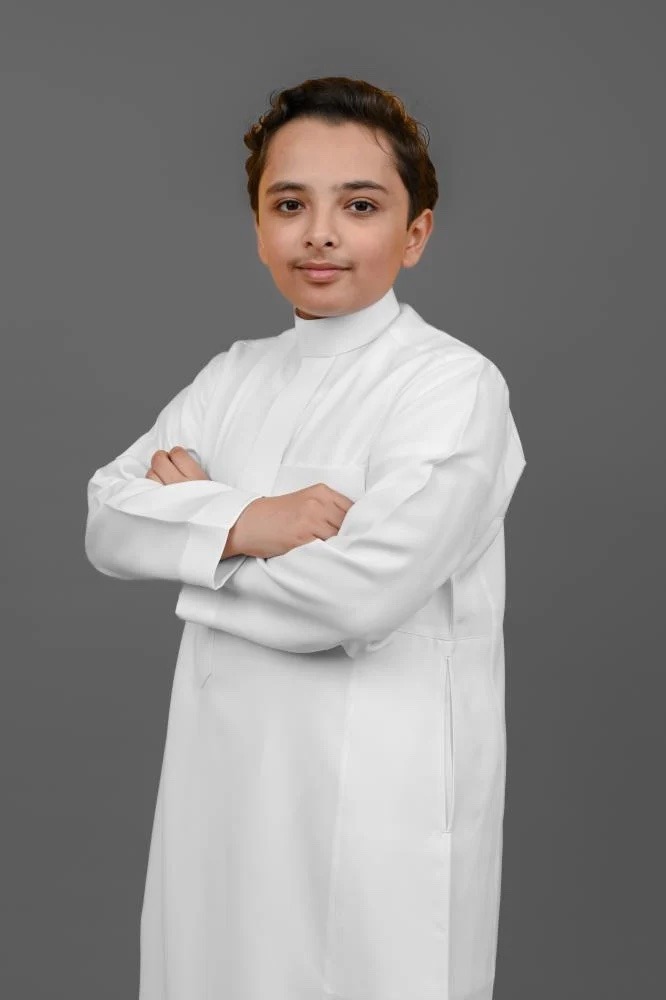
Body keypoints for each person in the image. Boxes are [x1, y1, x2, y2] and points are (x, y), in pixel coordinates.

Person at [85, 75, 527, 1000]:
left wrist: (198, 537)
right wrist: (253, 522)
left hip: (375, 801)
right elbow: (108, 519)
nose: (320, 233)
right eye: (290, 205)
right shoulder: (232, 376)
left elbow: (358, 597)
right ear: (258, 228)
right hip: (218, 791)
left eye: (359, 206)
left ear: (416, 233)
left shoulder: (451, 387)